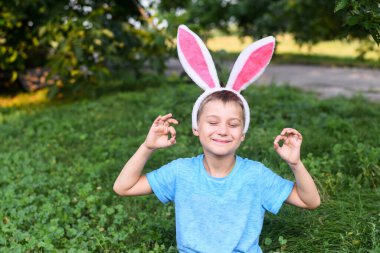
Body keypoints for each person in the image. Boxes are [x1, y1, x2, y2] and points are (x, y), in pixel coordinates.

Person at [113, 25, 320, 252]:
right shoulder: (180, 172)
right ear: (196, 128)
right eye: (212, 122)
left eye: (233, 124)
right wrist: (147, 147)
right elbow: (124, 187)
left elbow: (310, 201)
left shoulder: (255, 175)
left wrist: (295, 164)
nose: (222, 130)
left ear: (242, 135)